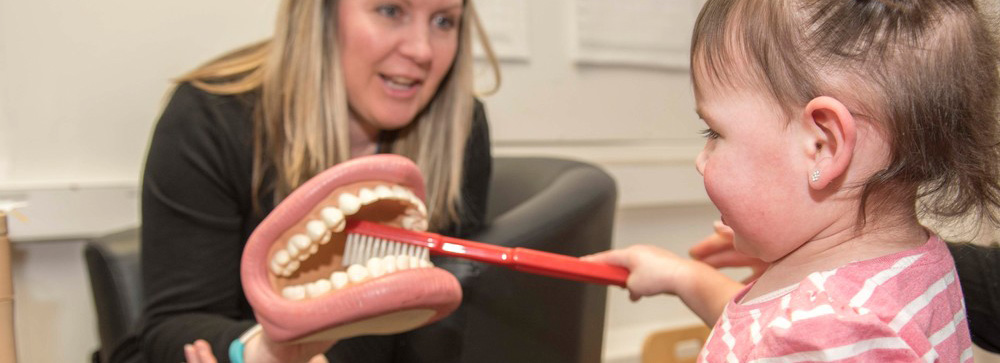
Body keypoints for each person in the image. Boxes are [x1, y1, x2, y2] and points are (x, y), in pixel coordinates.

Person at [586, 0, 1000, 361]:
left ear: (822, 145)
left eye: (713, 133)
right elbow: (768, 337)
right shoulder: (912, 264)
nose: (701, 160)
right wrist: (683, 278)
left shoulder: (834, 329)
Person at [118, 0, 501, 362]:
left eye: (443, 21)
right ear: (320, 13)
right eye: (390, 10)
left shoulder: (460, 130)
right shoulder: (208, 118)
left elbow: (431, 334)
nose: (422, 50)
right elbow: (174, 325)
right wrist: (265, 352)